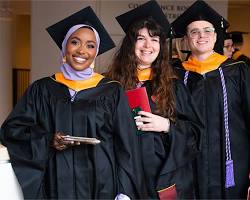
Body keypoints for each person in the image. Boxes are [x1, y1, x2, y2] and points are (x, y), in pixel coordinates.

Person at [0, 6, 144, 199]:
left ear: (96, 52)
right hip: (56, 185)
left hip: (102, 186)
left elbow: (127, 145)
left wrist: (124, 191)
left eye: (90, 45)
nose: (82, 50)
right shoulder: (42, 89)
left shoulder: (111, 90)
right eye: (74, 42)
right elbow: (12, 131)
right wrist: (47, 139)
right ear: (65, 48)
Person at [107, 1, 202, 199]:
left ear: (161, 45)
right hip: (123, 179)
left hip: (165, 178)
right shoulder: (110, 86)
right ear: (130, 44)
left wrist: (167, 125)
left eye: (155, 39)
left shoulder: (173, 85)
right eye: (141, 38)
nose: (148, 45)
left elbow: (195, 133)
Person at [172, 0, 250, 199]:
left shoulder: (238, 71)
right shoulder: (175, 75)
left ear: (216, 36)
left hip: (232, 164)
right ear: (187, 40)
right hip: (189, 166)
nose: (201, 36)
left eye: (207, 30)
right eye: (194, 32)